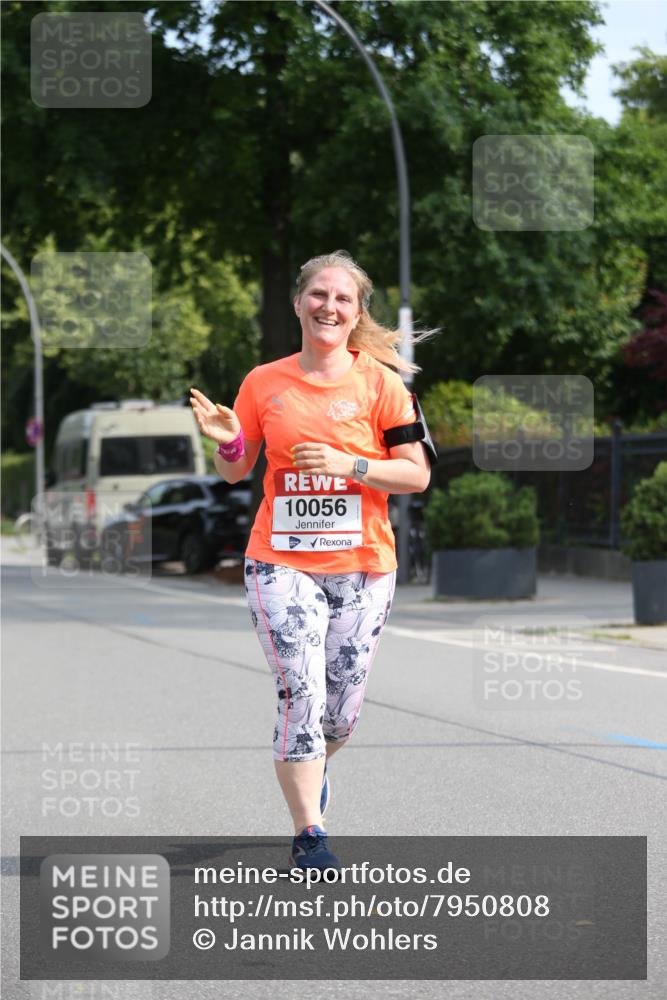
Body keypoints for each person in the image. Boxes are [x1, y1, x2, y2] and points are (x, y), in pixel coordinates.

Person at [190, 250, 431, 871]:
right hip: (281, 562)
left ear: (357, 314)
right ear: (298, 303)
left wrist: (350, 465)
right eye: (318, 295)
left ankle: (314, 769)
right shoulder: (262, 382)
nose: (329, 306)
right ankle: (310, 833)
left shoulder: (383, 384)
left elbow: (416, 474)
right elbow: (236, 468)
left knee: (340, 714)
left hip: (364, 566)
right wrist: (230, 440)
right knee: (301, 689)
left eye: (343, 298)